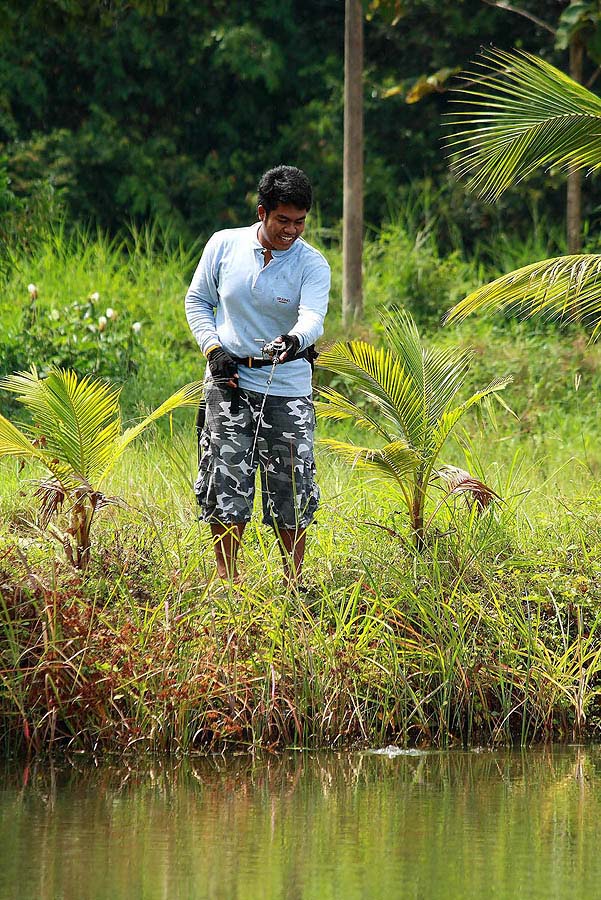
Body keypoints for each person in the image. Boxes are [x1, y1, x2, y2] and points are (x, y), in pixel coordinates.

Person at [185, 165, 330, 587]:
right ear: (263, 211)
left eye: (300, 222)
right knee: (226, 484)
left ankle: (293, 584)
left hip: (286, 388)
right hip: (229, 384)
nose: (291, 230)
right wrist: (213, 350)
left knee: (292, 487)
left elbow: (313, 317)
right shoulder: (223, 245)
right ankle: (227, 583)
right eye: (283, 220)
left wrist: (294, 340)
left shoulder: (312, 265)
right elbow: (198, 301)